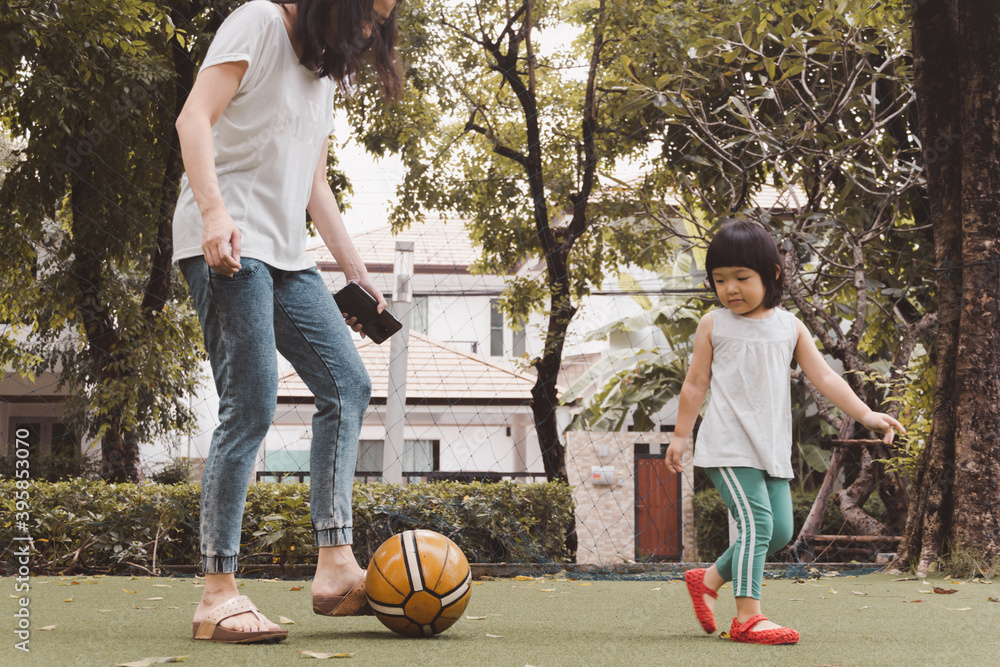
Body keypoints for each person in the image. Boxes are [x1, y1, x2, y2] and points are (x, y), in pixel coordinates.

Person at [172, 0, 402, 644]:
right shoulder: (259, 23)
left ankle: (334, 566)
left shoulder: (324, 72)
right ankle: (217, 592)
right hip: (226, 242)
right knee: (250, 404)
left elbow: (313, 183)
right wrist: (215, 215)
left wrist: (355, 274)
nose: (369, 30)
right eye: (365, 15)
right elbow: (194, 119)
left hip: (286, 253)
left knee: (347, 385)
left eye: (381, 22)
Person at [664, 219, 904, 645]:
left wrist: (868, 415)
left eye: (741, 278)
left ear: (772, 274)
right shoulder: (713, 325)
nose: (730, 289)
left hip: (771, 446)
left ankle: (709, 578)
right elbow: (695, 383)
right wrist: (681, 436)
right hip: (728, 445)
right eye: (720, 280)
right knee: (757, 521)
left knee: (778, 533)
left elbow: (826, 379)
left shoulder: (788, 325)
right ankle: (747, 618)